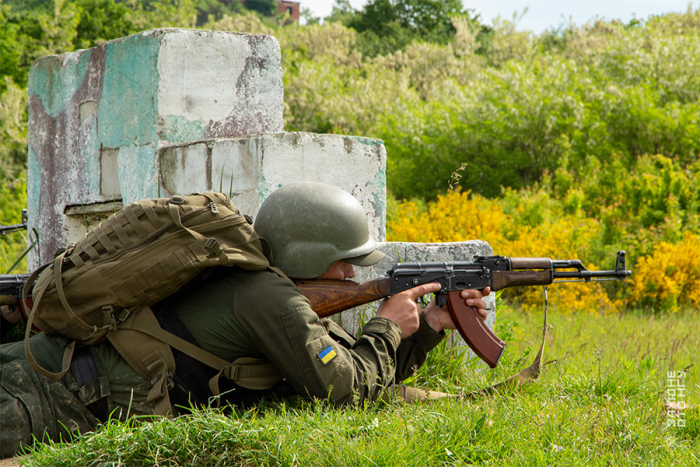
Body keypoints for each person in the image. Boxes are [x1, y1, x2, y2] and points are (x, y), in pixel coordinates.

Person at [0, 182, 490, 458]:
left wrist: (428, 325)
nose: (350, 273)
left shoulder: (267, 287)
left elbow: (359, 375)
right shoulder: (268, 296)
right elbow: (345, 392)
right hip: (42, 395)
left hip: (63, 386)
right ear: (309, 254)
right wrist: (386, 325)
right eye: (344, 261)